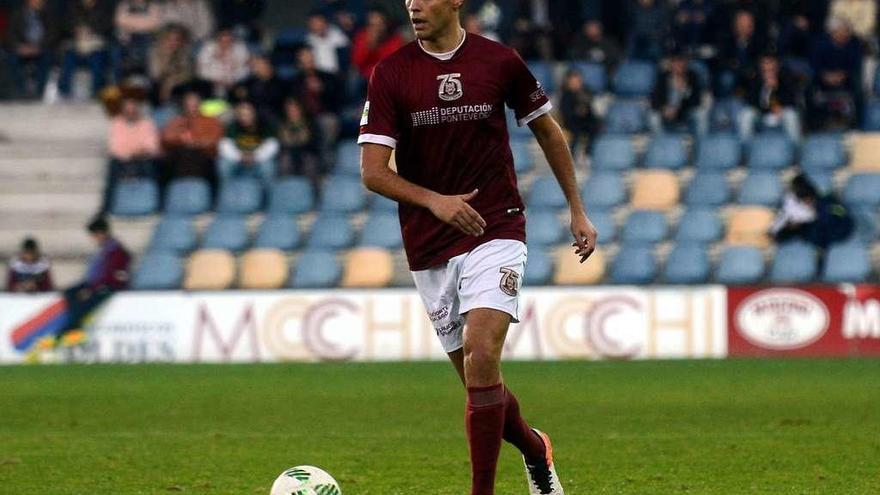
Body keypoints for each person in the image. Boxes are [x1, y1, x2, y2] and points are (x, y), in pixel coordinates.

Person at [358, 0, 597, 494]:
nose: (413, 5)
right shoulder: (391, 73)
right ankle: (536, 450)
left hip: (497, 227)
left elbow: (549, 133)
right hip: (430, 241)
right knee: (478, 385)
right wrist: (436, 202)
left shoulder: (500, 61)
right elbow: (373, 171)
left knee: (482, 355)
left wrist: (577, 208)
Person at [56, 217, 131, 346]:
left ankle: (62, 334)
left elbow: (111, 275)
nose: (94, 239)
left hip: (107, 286)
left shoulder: (116, 251)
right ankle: (75, 330)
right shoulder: (105, 249)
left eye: (95, 235)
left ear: (101, 233)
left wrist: (91, 289)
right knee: (70, 293)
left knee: (82, 305)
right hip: (95, 283)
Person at [161, 90, 224, 193]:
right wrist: (181, 140)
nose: (191, 107)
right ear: (184, 106)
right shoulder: (176, 121)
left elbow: (214, 140)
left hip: (203, 156)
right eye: (188, 104)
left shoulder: (211, 121)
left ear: (200, 105)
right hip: (180, 156)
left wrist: (196, 143)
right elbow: (166, 138)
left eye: (194, 104)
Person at [105, 96, 160, 212]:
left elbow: (152, 146)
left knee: (154, 167)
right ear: (123, 111)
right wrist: (134, 151)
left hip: (143, 160)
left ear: (138, 110)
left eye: (133, 110)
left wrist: (135, 151)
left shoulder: (147, 124)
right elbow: (115, 148)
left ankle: (158, 205)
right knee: (112, 166)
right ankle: (107, 206)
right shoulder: (117, 123)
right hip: (123, 160)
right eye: (127, 110)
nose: (130, 113)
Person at [771, 174, 854, 249]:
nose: (805, 204)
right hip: (814, 237)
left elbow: (844, 215)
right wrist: (791, 226)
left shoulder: (830, 204)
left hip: (834, 234)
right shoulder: (796, 211)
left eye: (805, 201)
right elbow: (780, 234)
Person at [809, 17, 863, 129]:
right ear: (832, 32)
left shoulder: (855, 43)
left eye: (845, 31)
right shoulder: (821, 43)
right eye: (840, 31)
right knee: (809, 90)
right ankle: (814, 126)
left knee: (858, 90)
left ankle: (857, 126)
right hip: (824, 79)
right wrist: (825, 75)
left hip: (846, 79)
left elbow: (856, 65)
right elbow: (815, 65)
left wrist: (843, 75)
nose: (843, 34)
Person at [58, 0, 113, 100]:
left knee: (98, 60)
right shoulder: (73, 7)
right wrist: (76, 31)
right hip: (76, 44)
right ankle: (64, 92)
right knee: (68, 58)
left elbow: (107, 25)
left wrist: (90, 31)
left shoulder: (103, 7)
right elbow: (65, 24)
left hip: (95, 44)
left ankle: (97, 91)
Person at [5, 0, 57, 99]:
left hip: (41, 47)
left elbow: (53, 34)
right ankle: (20, 91)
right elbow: (10, 34)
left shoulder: (49, 13)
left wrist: (38, 47)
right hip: (22, 47)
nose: (39, 2)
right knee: (12, 58)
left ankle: (39, 91)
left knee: (48, 56)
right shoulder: (17, 13)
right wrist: (20, 47)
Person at [218, 101, 279, 183]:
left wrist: (255, 156)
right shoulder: (232, 127)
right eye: (242, 114)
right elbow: (224, 146)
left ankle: (268, 194)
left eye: (248, 114)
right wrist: (240, 157)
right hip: (238, 161)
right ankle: (225, 191)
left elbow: (272, 145)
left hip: (258, 161)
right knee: (223, 164)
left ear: (254, 113)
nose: (245, 117)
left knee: (268, 166)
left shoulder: (264, 126)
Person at [743, 53, 801, 140]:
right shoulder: (755, 80)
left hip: (781, 112)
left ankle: (795, 148)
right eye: (765, 63)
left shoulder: (786, 79)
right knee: (746, 114)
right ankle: (745, 147)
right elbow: (750, 101)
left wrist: (776, 88)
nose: (768, 67)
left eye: (770, 63)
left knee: (791, 115)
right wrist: (765, 88)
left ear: (776, 65)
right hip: (761, 113)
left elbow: (792, 100)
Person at [650, 51, 703, 132]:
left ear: (686, 64)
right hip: (666, 111)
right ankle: (660, 141)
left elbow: (696, 101)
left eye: (681, 62)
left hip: (684, 111)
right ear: (671, 64)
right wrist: (664, 109)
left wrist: (684, 91)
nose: (679, 65)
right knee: (653, 116)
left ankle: (699, 142)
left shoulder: (692, 77)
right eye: (676, 62)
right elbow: (654, 99)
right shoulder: (663, 77)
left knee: (699, 114)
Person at [230, 53, 287, 124]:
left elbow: (271, 100)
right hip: (250, 114)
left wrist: (248, 95)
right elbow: (237, 90)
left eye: (259, 65)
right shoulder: (252, 81)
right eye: (255, 65)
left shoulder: (279, 82)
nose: (256, 68)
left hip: (270, 115)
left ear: (268, 65)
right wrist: (238, 92)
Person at [196, 26, 250, 97]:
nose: (226, 43)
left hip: (235, 83)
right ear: (217, 38)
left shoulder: (240, 48)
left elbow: (246, 69)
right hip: (211, 82)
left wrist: (234, 79)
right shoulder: (208, 47)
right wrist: (215, 80)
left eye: (229, 40)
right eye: (222, 40)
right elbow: (200, 69)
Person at [147, 23, 194, 105]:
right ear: (162, 39)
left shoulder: (183, 52)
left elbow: (187, 73)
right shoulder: (154, 52)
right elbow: (155, 74)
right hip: (156, 85)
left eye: (176, 40)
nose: (172, 43)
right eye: (169, 39)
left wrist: (170, 83)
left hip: (177, 86)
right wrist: (167, 56)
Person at [351, 9, 404, 79]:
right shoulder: (362, 36)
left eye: (379, 25)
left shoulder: (394, 40)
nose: (376, 29)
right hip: (364, 77)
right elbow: (357, 63)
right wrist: (369, 47)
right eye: (372, 25)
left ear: (386, 25)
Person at [113, 0, 161, 77]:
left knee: (147, 55)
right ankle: (119, 83)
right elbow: (119, 21)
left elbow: (153, 24)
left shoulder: (153, 5)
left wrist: (130, 23)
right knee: (117, 54)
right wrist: (142, 21)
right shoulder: (125, 4)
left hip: (146, 38)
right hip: (126, 38)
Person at [559, 69, 598, 158]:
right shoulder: (565, 95)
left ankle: (588, 153)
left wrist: (585, 111)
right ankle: (572, 156)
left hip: (584, 120)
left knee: (595, 126)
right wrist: (577, 112)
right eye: (573, 81)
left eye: (578, 81)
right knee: (576, 131)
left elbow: (589, 107)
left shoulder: (585, 91)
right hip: (571, 122)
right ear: (568, 82)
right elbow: (565, 112)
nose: (576, 83)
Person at [277, 97, 320, 178]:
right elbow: (281, 146)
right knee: (284, 161)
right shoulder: (282, 126)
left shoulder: (310, 124)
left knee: (309, 161)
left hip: (306, 155)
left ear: (300, 109)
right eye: (290, 110)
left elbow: (314, 145)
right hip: (289, 156)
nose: (293, 112)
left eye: (295, 109)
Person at [306, 10, 349, 75]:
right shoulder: (309, 40)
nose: (315, 26)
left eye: (317, 22)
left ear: (325, 22)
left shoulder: (337, 35)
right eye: (312, 23)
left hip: (338, 74)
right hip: (319, 75)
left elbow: (345, 58)